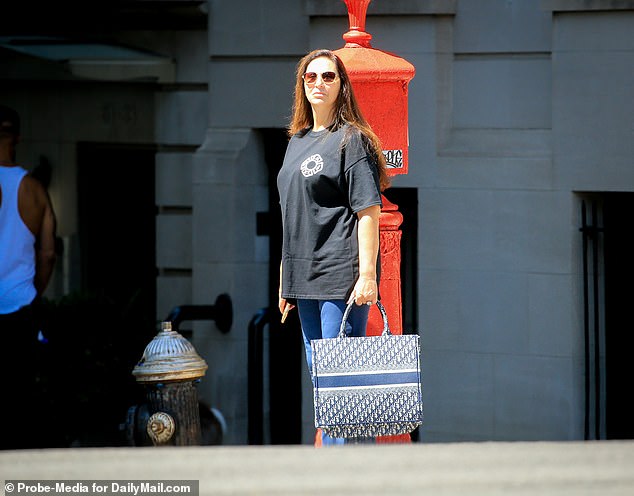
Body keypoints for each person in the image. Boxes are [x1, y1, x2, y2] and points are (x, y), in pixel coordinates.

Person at [276, 49, 390, 446]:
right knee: (323, 383)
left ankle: (344, 476)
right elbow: (292, 214)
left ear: (342, 86)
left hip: (339, 276)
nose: (318, 83)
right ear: (302, 86)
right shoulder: (297, 141)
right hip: (302, 277)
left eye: (328, 76)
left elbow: (368, 211)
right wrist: (284, 281)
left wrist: (368, 276)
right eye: (311, 77)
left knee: (341, 383)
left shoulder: (352, 140)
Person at [0, 104, 57, 449]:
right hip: (20, 306)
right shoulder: (34, 190)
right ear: (17, 137)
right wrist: (35, 291)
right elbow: (48, 253)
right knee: (20, 397)